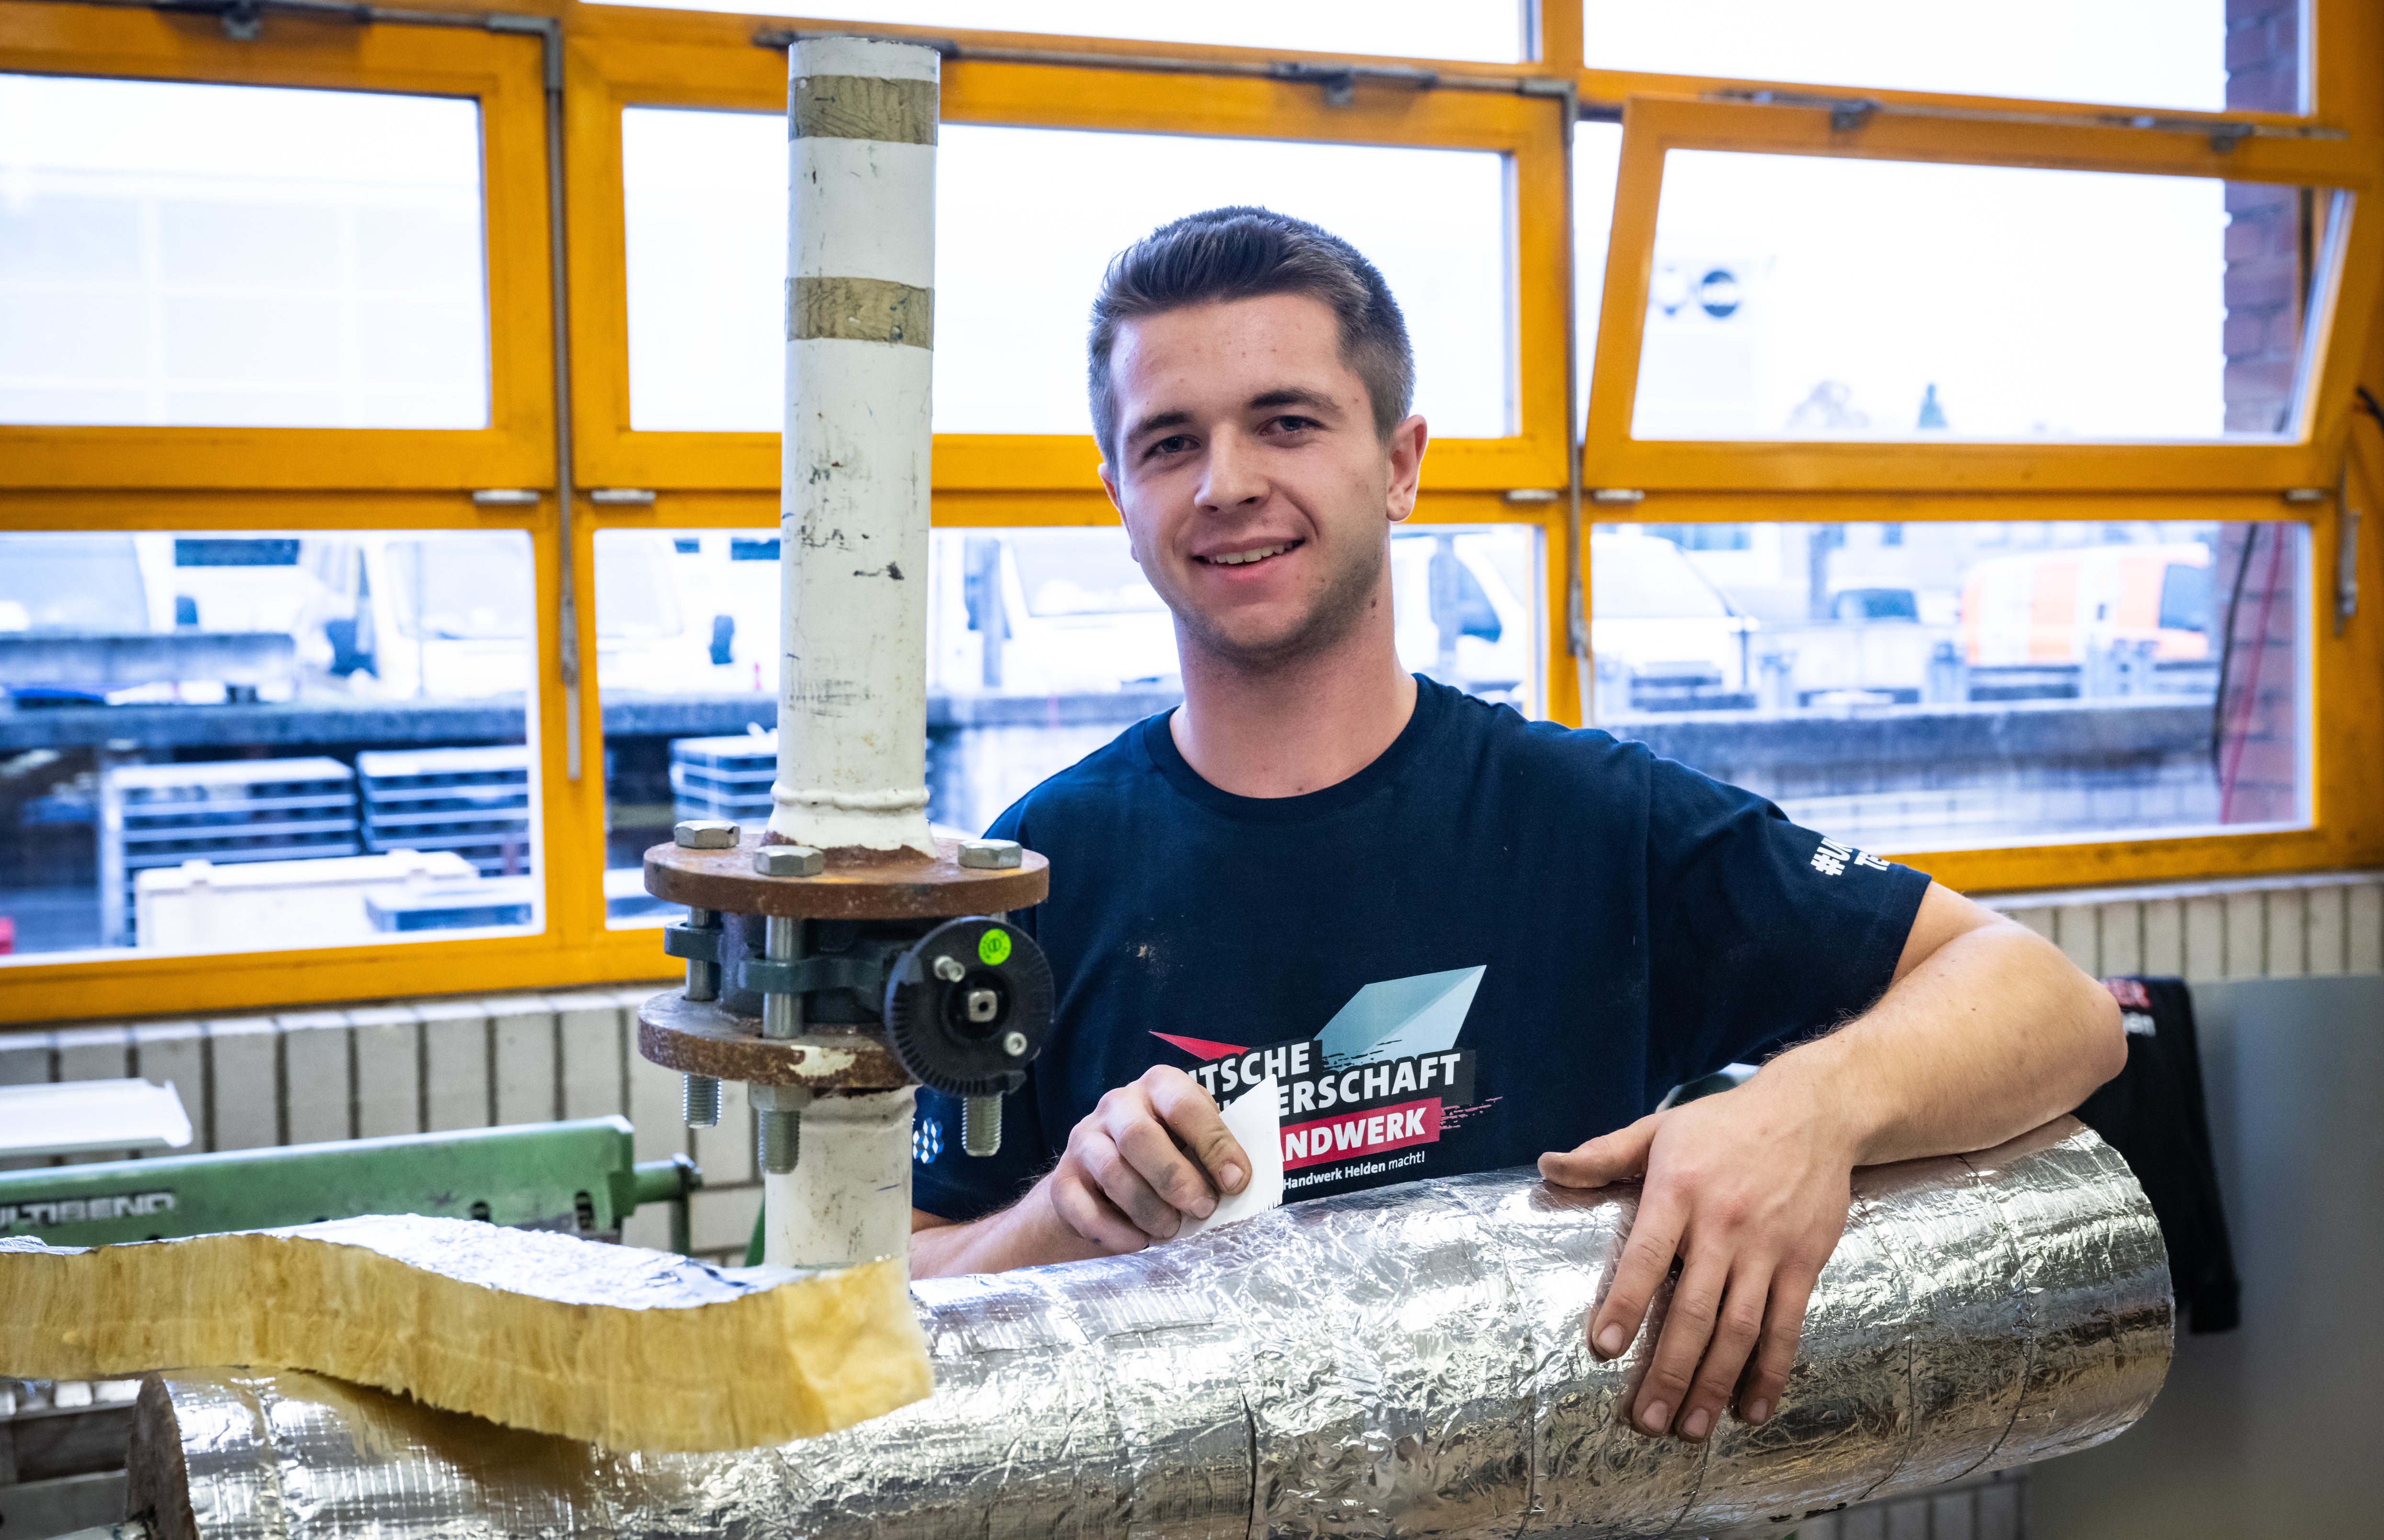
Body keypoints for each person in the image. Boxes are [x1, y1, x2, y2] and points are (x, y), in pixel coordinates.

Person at [908, 206, 2124, 1448]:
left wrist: (1803, 1108)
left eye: (1285, 421)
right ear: (1117, 489)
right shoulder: (1037, 875)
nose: (1226, 483)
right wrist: (1065, 1215)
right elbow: (898, 1295)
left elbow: (2052, 1004)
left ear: (1397, 461)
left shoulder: (1594, 819)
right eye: (1169, 442)